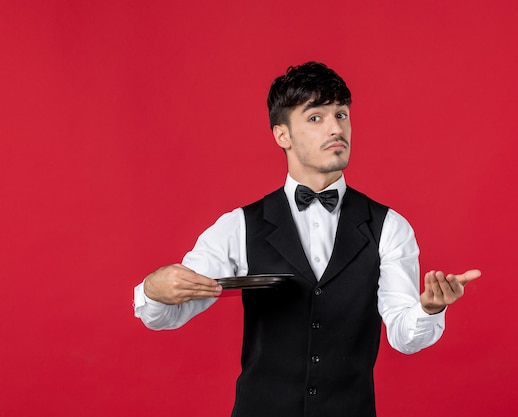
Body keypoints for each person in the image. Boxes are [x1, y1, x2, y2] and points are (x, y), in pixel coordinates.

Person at [133, 61, 481, 417]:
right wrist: (153, 289)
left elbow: (405, 336)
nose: (335, 128)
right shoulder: (239, 225)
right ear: (281, 135)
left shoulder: (389, 226)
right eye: (316, 117)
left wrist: (430, 308)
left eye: (341, 115)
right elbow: (167, 313)